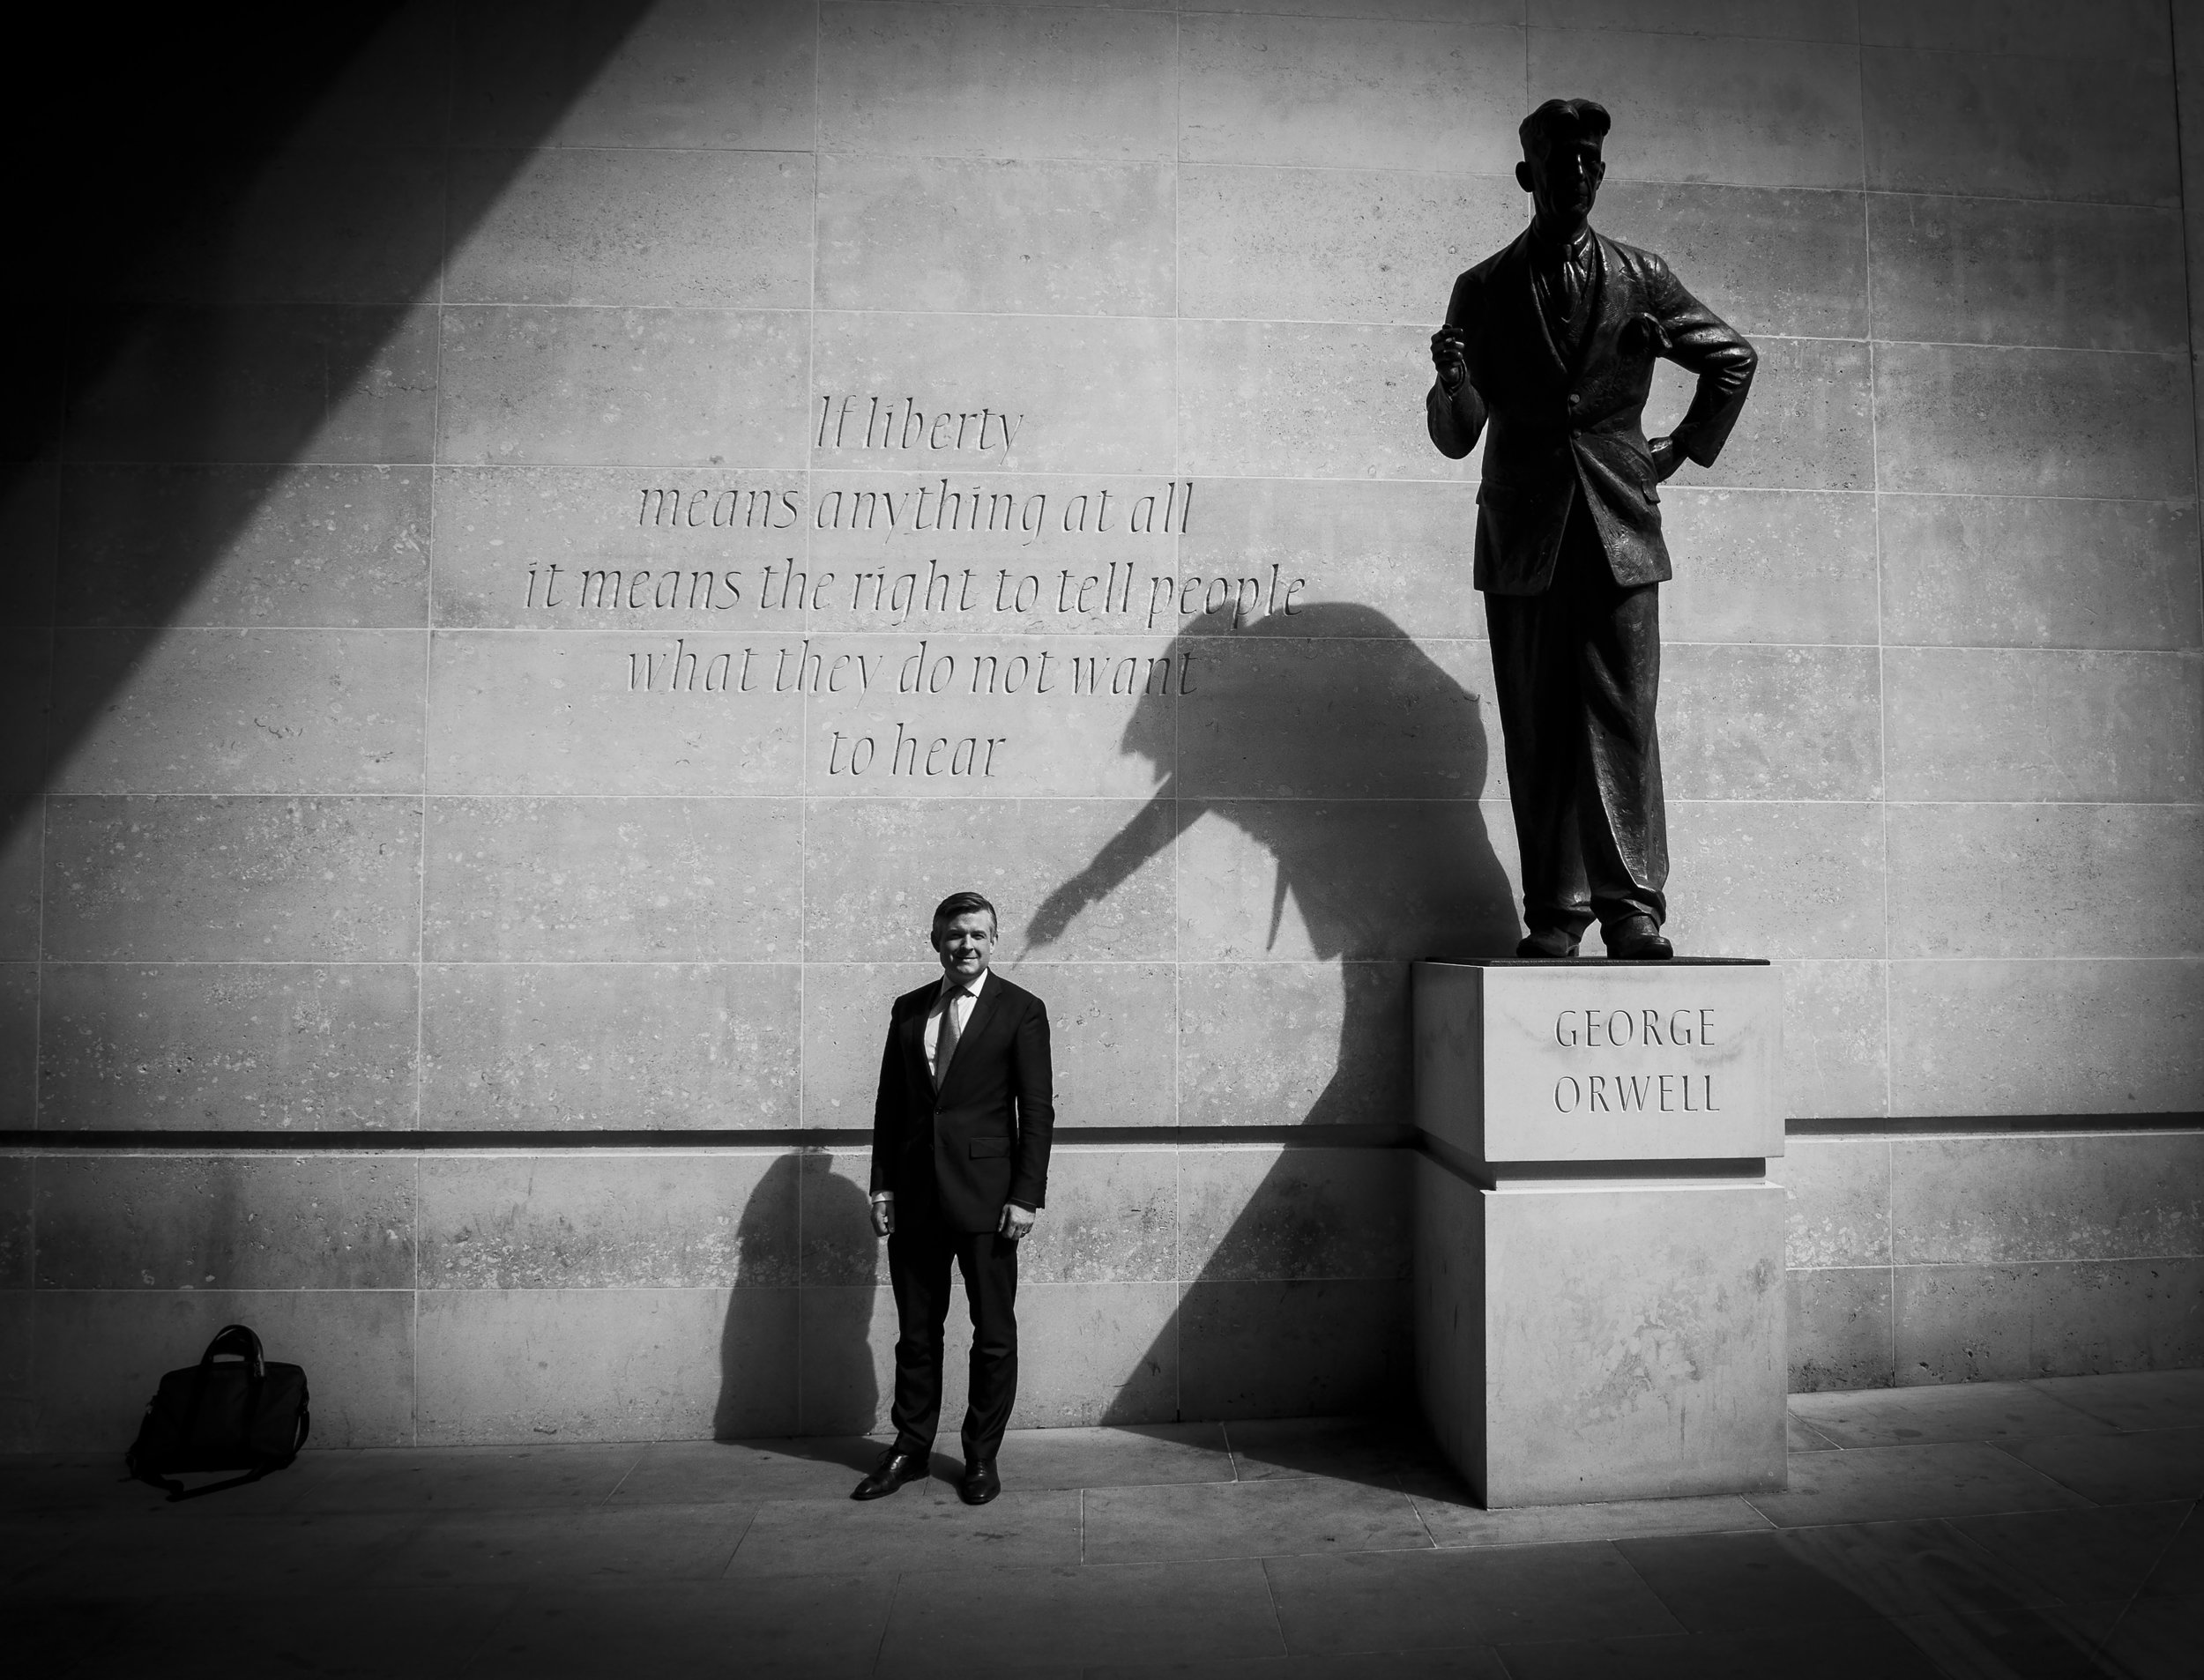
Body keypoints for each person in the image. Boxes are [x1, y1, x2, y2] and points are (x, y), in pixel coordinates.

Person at [1428, 96, 1756, 961]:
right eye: (1559, 164)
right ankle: (1555, 915)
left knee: (1620, 719)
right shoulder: (1484, 289)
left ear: (1599, 177)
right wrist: (1451, 383)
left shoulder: (1641, 274)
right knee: (1537, 726)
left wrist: (1678, 448)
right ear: (1526, 176)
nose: (1575, 177)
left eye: (1588, 166)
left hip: (1619, 526)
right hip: (1522, 535)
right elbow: (1460, 435)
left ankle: (1632, 910)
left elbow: (1732, 357)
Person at [853, 890, 1054, 1506]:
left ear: (994, 941)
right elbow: (891, 1104)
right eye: (954, 935)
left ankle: (980, 1457)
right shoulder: (909, 1009)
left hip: (990, 1200)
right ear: (935, 940)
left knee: (993, 1334)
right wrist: (881, 1183)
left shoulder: (1021, 1010)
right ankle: (910, 1448)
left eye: (977, 935)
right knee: (917, 1333)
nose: (965, 945)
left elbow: (1037, 1110)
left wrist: (1026, 1196)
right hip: (914, 1196)